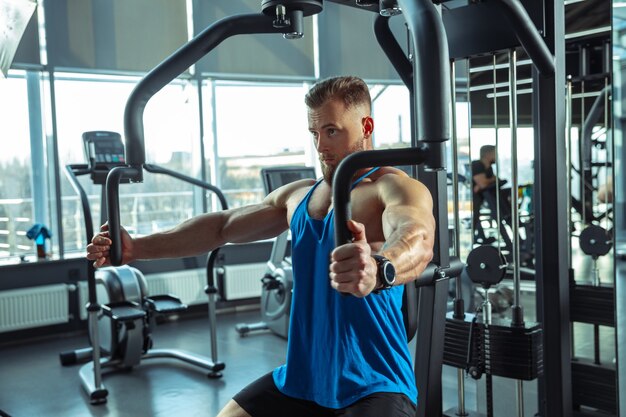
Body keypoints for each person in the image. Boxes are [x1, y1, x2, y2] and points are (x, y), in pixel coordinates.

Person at [87, 76, 436, 417]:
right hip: (302, 382)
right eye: (314, 134)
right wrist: (136, 248)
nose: (321, 147)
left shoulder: (391, 188)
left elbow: (416, 237)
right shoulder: (300, 195)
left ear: (366, 125)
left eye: (332, 131)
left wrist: (379, 268)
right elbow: (221, 227)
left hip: (375, 384)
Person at [471, 145, 512, 249]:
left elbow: (490, 181)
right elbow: (483, 184)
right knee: (474, 219)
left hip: (483, 198)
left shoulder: (488, 168)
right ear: (488, 154)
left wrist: (489, 181)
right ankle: (475, 240)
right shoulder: (477, 165)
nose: (496, 156)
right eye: (494, 153)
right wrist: (490, 180)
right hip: (473, 200)